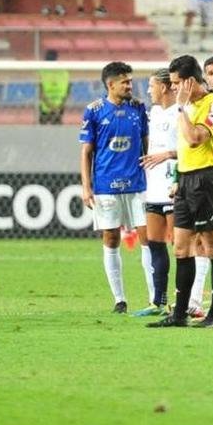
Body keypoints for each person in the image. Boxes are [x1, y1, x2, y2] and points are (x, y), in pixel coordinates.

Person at [147, 55, 213, 328]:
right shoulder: (188, 106)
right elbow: (183, 149)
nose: (172, 89)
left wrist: (181, 109)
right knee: (181, 249)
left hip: (207, 180)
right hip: (185, 181)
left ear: (190, 81)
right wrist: (178, 178)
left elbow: (195, 139)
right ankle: (179, 314)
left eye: (176, 83)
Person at [79, 62, 150, 314]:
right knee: (111, 238)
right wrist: (86, 187)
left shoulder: (139, 108)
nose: (130, 85)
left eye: (130, 81)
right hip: (106, 186)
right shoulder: (94, 111)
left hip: (137, 184)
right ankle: (119, 299)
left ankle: (155, 298)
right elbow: (86, 152)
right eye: (125, 82)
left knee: (148, 237)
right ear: (111, 84)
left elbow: (146, 146)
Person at [137, 68, 179, 316]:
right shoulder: (153, 112)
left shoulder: (180, 113)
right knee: (154, 243)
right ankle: (158, 301)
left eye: (151, 86)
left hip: (173, 186)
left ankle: (183, 299)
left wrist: (176, 175)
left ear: (163, 87)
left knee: (180, 246)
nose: (149, 90)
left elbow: (190, 147)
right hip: (153, 188)